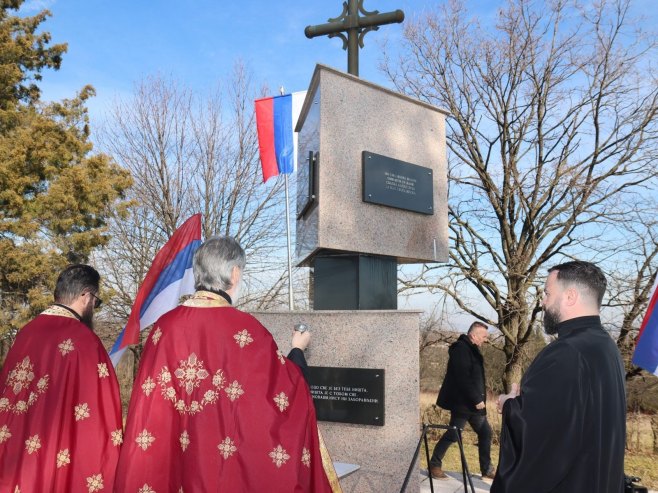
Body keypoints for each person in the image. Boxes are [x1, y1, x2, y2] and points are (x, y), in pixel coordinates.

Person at [115, 236, 341, 493]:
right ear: (234, 273)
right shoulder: (246, 330)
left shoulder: (164, 328)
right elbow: (285, 394)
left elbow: (147, 405)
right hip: (219, 472)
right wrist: (297, 351)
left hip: (172, 465)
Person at [492, 261, 626, 492]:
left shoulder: (566, 352)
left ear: (570, 296)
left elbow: (540, 434)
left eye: (547, 293)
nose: (543, 302)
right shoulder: (606, 345)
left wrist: (510, 405)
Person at [0, 265, 122, 492]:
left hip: (14, 454)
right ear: (86, 296)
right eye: (96, 300)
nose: (94, 306)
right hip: (53, 452)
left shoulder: (25, 333)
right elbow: (100, 416)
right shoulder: (84, 341)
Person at [430, 321, 495, 480]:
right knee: (454, 434)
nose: (486, 339)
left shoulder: (472, 349)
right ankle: (434, 464)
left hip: (474, 405)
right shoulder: (461, 349)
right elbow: (462, 377)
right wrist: (476, 398)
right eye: (484, 336)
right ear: (473, 335)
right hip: (463, 404)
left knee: (485, 432)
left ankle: (487, 470)